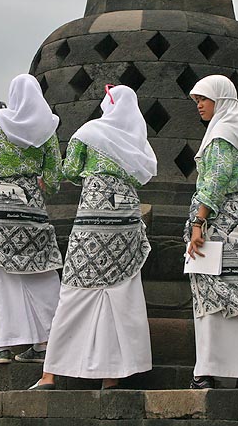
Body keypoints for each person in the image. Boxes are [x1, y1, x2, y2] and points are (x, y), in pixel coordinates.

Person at [33, 84, 156, 391]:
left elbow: (71, 171)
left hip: (92, 221)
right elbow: (145, 175)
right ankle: (112, 376)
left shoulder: (89, 133)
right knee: (121, 295)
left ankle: (51, 374)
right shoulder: (138, 140)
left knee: (75, 291)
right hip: (126, 221)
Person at [0, 74, 63, 365]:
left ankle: (5, 347)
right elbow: (54, 177)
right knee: (40, 272)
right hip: (30, 207)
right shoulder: (47, 127)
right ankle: (48, 342)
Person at [185, 75, 238, 389]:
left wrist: (198, 223)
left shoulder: (220, 135)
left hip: (216, 224)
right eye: (197, 101)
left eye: (204, 100)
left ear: (220, 100)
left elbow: (215, 181)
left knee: (211, 296)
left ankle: (207, 372)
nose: (200, 107)